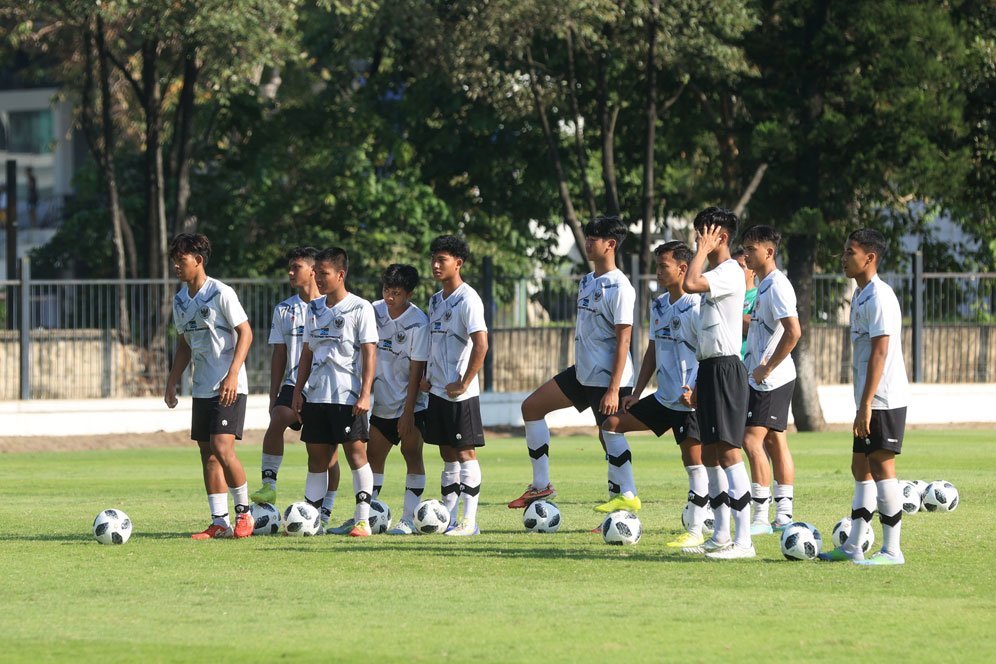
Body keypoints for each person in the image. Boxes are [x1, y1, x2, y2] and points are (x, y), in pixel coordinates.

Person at [508, 216, 636, 515]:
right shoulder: (587, 281)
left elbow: (624, 340)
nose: (589, 242)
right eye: (588, 236)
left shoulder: (620, 286)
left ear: (611, 244)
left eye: (595, 238)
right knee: (532, 407)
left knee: (610, 436)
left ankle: (625, 500)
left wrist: (615, 389)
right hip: (582, 373)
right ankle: (541, 485)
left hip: (608, 379)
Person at [600, 241, 706, 548]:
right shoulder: (658, 304)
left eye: (663, 266)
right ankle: (629, 495)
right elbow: (653, 349)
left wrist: (696, 391)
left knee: (694, 463)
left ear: (682, 269)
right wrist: (636, 391)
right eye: (657, 265)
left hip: (689, 403)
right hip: (663, 398)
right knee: (612, 425)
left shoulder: (698, 306)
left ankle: (696, 530)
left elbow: (706, 353)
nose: (658, 272)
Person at [820, 229, 910, 565]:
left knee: (882, 466)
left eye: (849, 252)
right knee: (861, 466)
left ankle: (892, 550)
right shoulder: (860, 295)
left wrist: (868, 403)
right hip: (867, 399)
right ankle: (854, 546)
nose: (843, 258)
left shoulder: (881, 297)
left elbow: (880, 353)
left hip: (883, 398)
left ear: (869, 258)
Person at [164, 233, 255, 539]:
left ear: (198, 261)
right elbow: (184, 345)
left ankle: (245, 513)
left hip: (228, 385)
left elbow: (246, 333)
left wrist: (232, 374)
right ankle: (219, 522)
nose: (177, 266)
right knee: (208, 454)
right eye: (175, 261)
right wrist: (173, 380)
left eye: (182, 260)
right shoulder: (180, 300)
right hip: (202, 386)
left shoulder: (221, 293)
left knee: (222, 447)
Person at [249, 248, 343, 527]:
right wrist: (273, 393)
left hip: (326, 387)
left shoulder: (332, 306)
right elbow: (278, 353)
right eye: (289, 267)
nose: (290, 272)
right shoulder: (284, 309)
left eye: (296, 267)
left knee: (327, 455)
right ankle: (269, 484)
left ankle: (324, 512)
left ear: (313, 271)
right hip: (293, 383)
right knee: (278, 417)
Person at [680, 206, 753, 559]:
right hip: (709, 369)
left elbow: (689, 283)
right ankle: (721, 534)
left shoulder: (728, 272)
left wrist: (701, 252)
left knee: (727, 450)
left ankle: (744, 541)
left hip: (726, 369)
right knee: (709, 450)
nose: (698, 240)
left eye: (702, 234)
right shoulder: (718, 272)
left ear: (720, 237)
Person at [291, 247, 378, 537]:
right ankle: (311, 521)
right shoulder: (313, 308)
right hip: (316, 396)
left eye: (324, 273)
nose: (318, 278)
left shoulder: (360, 307)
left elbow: (369, 352)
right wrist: (298, 390)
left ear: (340, 275)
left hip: (347, 396)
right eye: (315, 272)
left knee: (356, 454)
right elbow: (307, 353)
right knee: (316, 459)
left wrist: (365, 393)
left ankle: (363, 520)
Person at [421, 235, 488, 536]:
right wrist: (427, 375)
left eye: (442, 260)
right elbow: (432, 343)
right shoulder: (435, 300)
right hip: (436, 391)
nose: (436, 265)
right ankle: (446, 516)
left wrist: (464, 382)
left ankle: (469, 521)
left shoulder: (469, 299)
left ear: (458, 263)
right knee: (447, 453)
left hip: (461, 394)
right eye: (434, 259)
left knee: (465, 454)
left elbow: (481, 345)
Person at [739, 225, 801, 535]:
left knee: (751, 440)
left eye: (751, 249)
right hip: (763, 377)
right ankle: (784, 516)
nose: (746, 254)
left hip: (771, 379)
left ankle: (761, 517)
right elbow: (763, 329)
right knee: (775, 441)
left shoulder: (777, 285)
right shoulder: (763, 286)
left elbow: (793, 332)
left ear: (769, 252)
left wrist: (767, 367)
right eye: (745, 248)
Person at [367, 264, 430, 536]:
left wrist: (408, 413)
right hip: (382, 402)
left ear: (409, 294)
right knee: (373, 457)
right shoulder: (373, 311)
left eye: (396, 293)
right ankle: (366, 515)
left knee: (411, 453)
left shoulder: (419, 322)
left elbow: (417, 371)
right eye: (386, 291)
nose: (389, 298)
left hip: (410, 404)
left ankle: (408, 519)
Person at [732, 247, 757, 359]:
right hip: (725, 366)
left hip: (747, 365)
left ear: (754, 271)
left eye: (741, 266)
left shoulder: (759, 295)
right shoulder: (725, 295)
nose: (736, 271)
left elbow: (755, 326)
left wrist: (726, 314)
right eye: (733, 267)